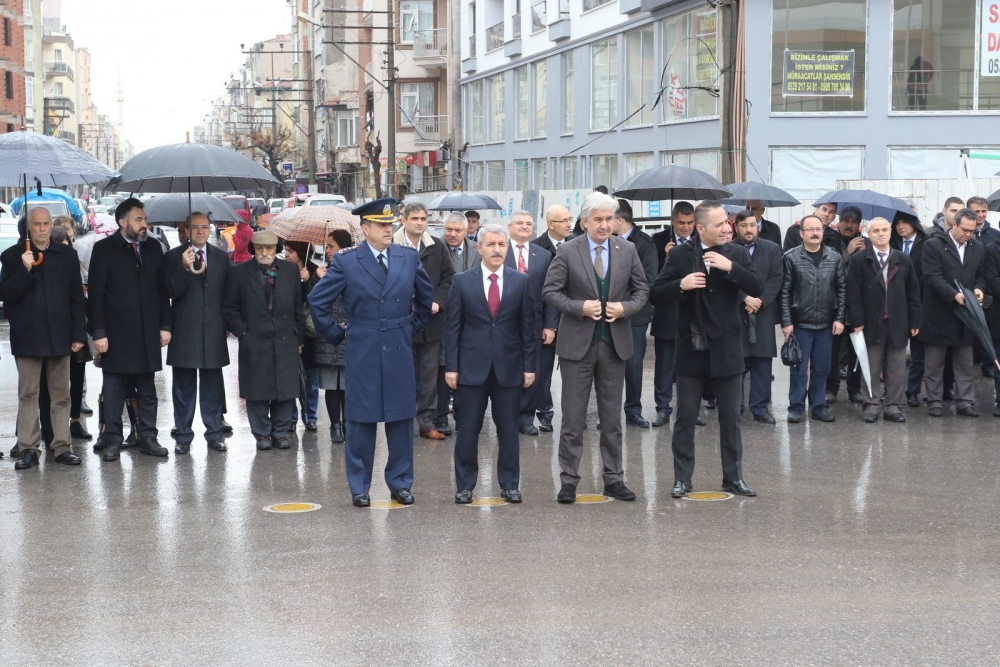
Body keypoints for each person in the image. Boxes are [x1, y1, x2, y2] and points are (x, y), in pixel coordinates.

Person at [308, 198, 434, 508]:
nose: (388, 230)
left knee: (402, 418)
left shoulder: (406, 257)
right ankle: (360, 486)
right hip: (363, 344)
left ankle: (400, 483)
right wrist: (338, 334)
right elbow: (318, 301)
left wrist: (407, 327)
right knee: (361, 420)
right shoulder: (348, 261)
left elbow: (425, 298)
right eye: (381, 225)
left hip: (399, 345)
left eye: (390, 224)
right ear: (365, 229)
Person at [542, 192, 650, 504]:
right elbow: (550, 291)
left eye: (609, 219)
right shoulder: (567, 250)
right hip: (577, 345)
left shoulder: (626, 249)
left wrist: (625, 309)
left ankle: (614, 479)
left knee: (612, 419)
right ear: (584, 222)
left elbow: (642, 290)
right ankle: (569, 480)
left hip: (614, 345)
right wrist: (579, 307)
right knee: (573, 419)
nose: (604, 225)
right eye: (598, 220)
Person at [651, 201, 763, 497]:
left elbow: (757, 286)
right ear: (700, 228)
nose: (727, 228)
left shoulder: (736, 252)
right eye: (719, 225)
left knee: (730, 418)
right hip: (691, 347)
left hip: (726, 347)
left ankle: (733, 478)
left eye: (727, 223)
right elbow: (656, 293)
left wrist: (732, 268)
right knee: (686, 417)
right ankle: (682, 479)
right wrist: (681, 285)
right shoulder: (679, 254)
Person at [445, 224, 535, 503]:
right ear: (479, 248)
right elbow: (453, 328)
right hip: (471, 367)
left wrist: (529, 366)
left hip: (509, 368)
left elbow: (528, 328)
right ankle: (465, 485)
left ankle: (509, 484)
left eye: (502, 245)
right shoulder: (462, 281)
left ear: (507, 248)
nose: (497, 250)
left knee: (508, 429)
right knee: (468, 429)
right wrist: (451, 367)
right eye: (491, 244)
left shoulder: (520, 281)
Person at [0, 207, 87, 469]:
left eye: (46, 224)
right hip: (27, 336)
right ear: (28, 227)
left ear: (51, 225)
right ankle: (28, 448)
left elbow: (75, 298)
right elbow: (7, 296)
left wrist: (78, 334)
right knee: (29, 394)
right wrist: (24, 270)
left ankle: (61, 446)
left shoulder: (67, 255)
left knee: (61, 395)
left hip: (60, 335)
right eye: (36, 224)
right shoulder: (13, 256)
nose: (41, 228)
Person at [87, 198, 172, 462]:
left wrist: (165, 326)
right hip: (116, 334)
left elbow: (162, 291)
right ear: (123, 222)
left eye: (144, 219)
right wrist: (98, 332)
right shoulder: (103, 249)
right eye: (139, 220)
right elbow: (96, 295)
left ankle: (148, 436)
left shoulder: (154, 248)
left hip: (147, 331)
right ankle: (112, 438)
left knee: (147, 390)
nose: (144, 224)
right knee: (114, 390)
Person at [223, 230, 305, 449]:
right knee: (257, 390)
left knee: (285, 389)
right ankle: (262, 435)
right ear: (253, 249)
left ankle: (280, 432)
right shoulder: (240, 272)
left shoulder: (289, 271)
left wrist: (299, 337)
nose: (264, 252)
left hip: (285, 338)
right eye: (260, 248)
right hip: (255, 339)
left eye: (269, 248)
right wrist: (243, 332)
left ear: (276, 249)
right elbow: (230, 308)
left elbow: (298, 306)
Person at [163, 212, 232, 455]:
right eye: (195, 227)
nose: (201, 231)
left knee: (212, 385)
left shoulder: (222, 257)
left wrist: (228, 324)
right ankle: (183, 435)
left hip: (213, 329)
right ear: (187, 230)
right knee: (183, 387)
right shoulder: (173, 256)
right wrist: (183, 267)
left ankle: (214, 434)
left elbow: (229, 294)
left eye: (205, 227)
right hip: (185, 330)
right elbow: (171, 291)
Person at [846, 218, 922, 423]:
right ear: (868, 235)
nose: (881, 234)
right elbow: (852, 293)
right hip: (870, 322)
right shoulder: (859, 259)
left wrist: (915, 321)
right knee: (870, 365)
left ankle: (893, 406)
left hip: (898, 321)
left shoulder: (903, 259)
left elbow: (913, 292)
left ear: (891, 233)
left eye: (884, 230)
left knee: (897, 367)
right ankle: (871, 405)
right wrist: (857, 321)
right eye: (876, 231)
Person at [394, 200, 455, 440]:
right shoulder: (393, 245)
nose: (420, 223)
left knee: (429, 375)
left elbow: (449, 278)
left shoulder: (436, 246)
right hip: (402, 322)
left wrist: (438, 301)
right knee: (403, 373)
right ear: (404, 220)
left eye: (423, 219)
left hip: (431, 322)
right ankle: (401, 420)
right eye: (415, 219)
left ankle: (427, 423)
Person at [919, 208, 986, 417]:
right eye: (965, 230)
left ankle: (965, 402)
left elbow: (981, 275)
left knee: (965, 362)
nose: (968, 234)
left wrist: (979, 289)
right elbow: (932, 277)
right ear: (954, 224)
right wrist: (953, 295)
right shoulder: (934, 244)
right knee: (934, 364)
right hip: (939, 313)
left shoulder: (977, 247)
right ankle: (934, 401)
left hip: (966, 316)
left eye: (972, 231)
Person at [780, 214, 846, 423]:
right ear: (801, 234)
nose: (815, 233)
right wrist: (787, 322)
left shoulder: (834, 257)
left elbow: (842, 289)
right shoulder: (791, 257)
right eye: (810, 229)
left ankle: (818, 406)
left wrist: (840, 318)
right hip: (801, 323)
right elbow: (785, 292)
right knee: (799, 368)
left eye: (818, 229)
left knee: (822, 368)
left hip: (827, 324)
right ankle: (796, 407)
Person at [650, 201, 704, 427]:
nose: (686, 227)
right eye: (681, 223)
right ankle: (663, 408)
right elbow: (654, 277)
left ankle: (693, 409)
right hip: (667, 311)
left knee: (692, 365)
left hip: (693, 313)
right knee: (664, 364)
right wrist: (666, 257)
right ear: (673, 221)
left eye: (690, 223)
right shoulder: (658, 240)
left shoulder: (702, 242)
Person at [505, 211, 557, 434]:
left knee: (533, 371)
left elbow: (551, 292)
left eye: (529, 223)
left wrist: (550, 324)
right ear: (509, 226)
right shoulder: (499, 249)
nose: (525, 227)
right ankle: (507, 416)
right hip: (504, 322)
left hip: (535, 324)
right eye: (520, 223)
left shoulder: (543, 255)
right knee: (506, 370)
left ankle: (526, 418)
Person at [734, 209, 783, 424]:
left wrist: (760, 301)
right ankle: (735, 406)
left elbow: (776, 277)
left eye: (752, 225)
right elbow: (726, 277)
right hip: (736, 312)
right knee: (736, 363)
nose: (748, 229)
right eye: (744, 225)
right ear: (736, 227)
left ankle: (760, 407)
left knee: (762, 362)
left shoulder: (772, 249)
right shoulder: (729, 249)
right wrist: (745, 298)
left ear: (758, 227)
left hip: (762, 313)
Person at [613, 199, 658, 428]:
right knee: (608, 366)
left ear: (619, 219)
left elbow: (648, 281)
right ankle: (608, 413)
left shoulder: (644, 244)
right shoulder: (605, 242)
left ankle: (633, 410)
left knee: (633, 366)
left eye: (608, 218)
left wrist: (623, 303)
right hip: (606, 314)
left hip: (634, 315)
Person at [530, 204, 574, 431]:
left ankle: (576, 415)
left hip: (576, 315)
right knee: (543, 369)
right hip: (547, 318)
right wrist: (549, 323)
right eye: (563, 221)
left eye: (570, 219)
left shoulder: (579, 243)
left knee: (575, 370)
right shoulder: (536, 247)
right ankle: (544, 411)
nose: (569, 224)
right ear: (550, 224)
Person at [436, 212, 480, 435]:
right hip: (443, 316)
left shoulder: (476, 249)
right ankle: (441, 416)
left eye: (457, 230)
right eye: (448, 230)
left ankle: (464, 415)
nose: (452, 234)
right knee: (445, 366)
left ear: (466, 231)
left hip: (472, 317)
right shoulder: (435, 248)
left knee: (468, 367)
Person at [313, 229, 353, 443]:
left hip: (349, 334)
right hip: (327, 335)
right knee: (331, 385)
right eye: (326, 247)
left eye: (331, 246)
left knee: (347, 386)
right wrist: (317, 280)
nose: (327, 251)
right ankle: (334, 427)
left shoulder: (355, 270)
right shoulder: (322, 272)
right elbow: (312, 301)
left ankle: (348, 424)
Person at [827, 206, 867, 405]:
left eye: (854, 222)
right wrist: (848, 252)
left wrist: (863, 253)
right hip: (834, 304)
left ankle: (854, 389)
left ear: (859, 225)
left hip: (858, 305)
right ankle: (831, 388)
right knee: (832, 352)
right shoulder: (830, 241)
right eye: (846, 221)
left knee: (857, 350)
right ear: (839, 222)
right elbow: (830, 270)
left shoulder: (865, 243)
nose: (849, 225)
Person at [891, 214, 929, 406]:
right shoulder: (890, 243)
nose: (900, 227)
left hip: (918, 303)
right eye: (897, 223)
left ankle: (913, 391)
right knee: (891, 353)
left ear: (914, 224)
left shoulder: (927, 243)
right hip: (894, 305)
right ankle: (890, 393)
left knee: (918, 353)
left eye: (904, 222)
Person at [284, 240, 321, 431]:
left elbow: (318, 301)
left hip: (310, 333)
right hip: (290, 331)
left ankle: (311, 415)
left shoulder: (315, 270)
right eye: (285, 250)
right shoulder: (283, 270)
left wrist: (310, 281)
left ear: (301, 252)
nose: (286, 254)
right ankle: (291, 418)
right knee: (291, 378)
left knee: (311, 379)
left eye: (290, 251)